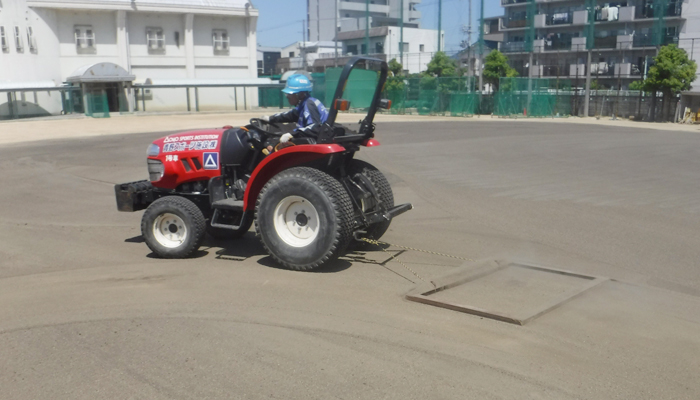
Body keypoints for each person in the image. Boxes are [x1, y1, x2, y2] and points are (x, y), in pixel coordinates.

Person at [261, 74, 328, 148]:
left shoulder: (309, 105)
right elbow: (290, 115)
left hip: (315, 144)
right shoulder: (304, 104)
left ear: (301, 94)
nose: (287, 96)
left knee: (274, 146)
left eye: (290, 93)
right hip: (311, 141)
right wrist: (270, 118)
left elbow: (315, 127)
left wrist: (292, 133)